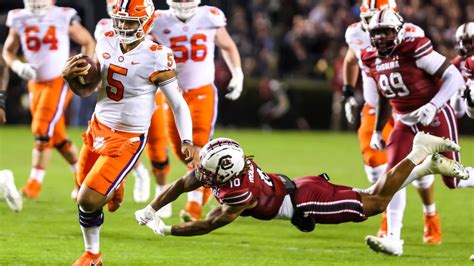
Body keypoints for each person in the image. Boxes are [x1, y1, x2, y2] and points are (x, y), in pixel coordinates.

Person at [134, 135, 467, 244]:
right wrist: (150, 209)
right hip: (300, 188)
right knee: (371, 194)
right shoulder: (222, 166)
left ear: (226, 171)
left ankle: (419, 151)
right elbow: (180, 184)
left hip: (304, 200)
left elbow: (210, 223)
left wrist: (168, 230)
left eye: (207, 171)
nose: (200, 175)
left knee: (377, 202)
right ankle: (426, 167)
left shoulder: (239, 191)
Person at [61, 0, 199, 263]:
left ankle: (92, 254)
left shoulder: (157, 55)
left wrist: (188, 140)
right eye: (120, 19)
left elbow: (178, 104)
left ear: (146, 22)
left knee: (87, 199)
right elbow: (87, 90)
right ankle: (116, 187)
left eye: (130, 22)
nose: (123, 26)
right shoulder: (105, 39)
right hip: (97, 127)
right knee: (82, 188)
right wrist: (68, 78)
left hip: (128, 138)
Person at [362, 9, 474, 255]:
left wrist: (433, 105)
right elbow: (383, 95)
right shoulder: (370, 57)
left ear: (399, 31)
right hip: (405, 120)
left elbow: (453, 76)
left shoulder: (414, 47)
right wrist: (378, 130)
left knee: (453, 180)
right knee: (393, 177)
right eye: (377, 33)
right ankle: (393, 239)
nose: (381, 38)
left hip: (434, 115)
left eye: (386, 32)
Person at [342, 0, 442, 248]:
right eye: (369, 19)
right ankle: (389, 222)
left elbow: (432, 70)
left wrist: (431, 103)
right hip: (376, 108)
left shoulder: (412, 34)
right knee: (377, 166)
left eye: (380, 20)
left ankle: (430, 212)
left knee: (416, 171)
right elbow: (351, 59)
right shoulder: (355, 33)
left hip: (406, 107)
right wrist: (346, 92)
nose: (374, 28)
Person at [149, 0, 244, 222]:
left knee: (197, 145)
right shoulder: (157, 19)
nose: (183, 2)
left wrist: (237, 73)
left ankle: (194, 205)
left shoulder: (210, 16)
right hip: (170, 92)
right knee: (180, 148)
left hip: (202, 90)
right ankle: (207, 184)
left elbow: (228, 45)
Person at [2, 0, 95, 200]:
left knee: (41, 129)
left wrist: (83, 69)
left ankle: (33, 185)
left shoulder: (63, 15)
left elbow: (88, 41)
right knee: (58, 138)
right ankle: (83, 179)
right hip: (35, 83)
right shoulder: (18, 17)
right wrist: (18, 66)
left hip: (59, 81)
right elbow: (8, 51)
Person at [93, 0, 154, 206]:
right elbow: (98, 67)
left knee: (152, 142)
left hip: (142, 94)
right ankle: (120, 183)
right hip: (110, 100)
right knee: (104, 152)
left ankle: (140, 176)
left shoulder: (150, 45)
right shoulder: (104, 31)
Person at [451, 22, 474, 118]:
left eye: (469, 42)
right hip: (465, 101)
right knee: (456, 93)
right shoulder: (456, 63)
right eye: (463, 42)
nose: (465, 46)